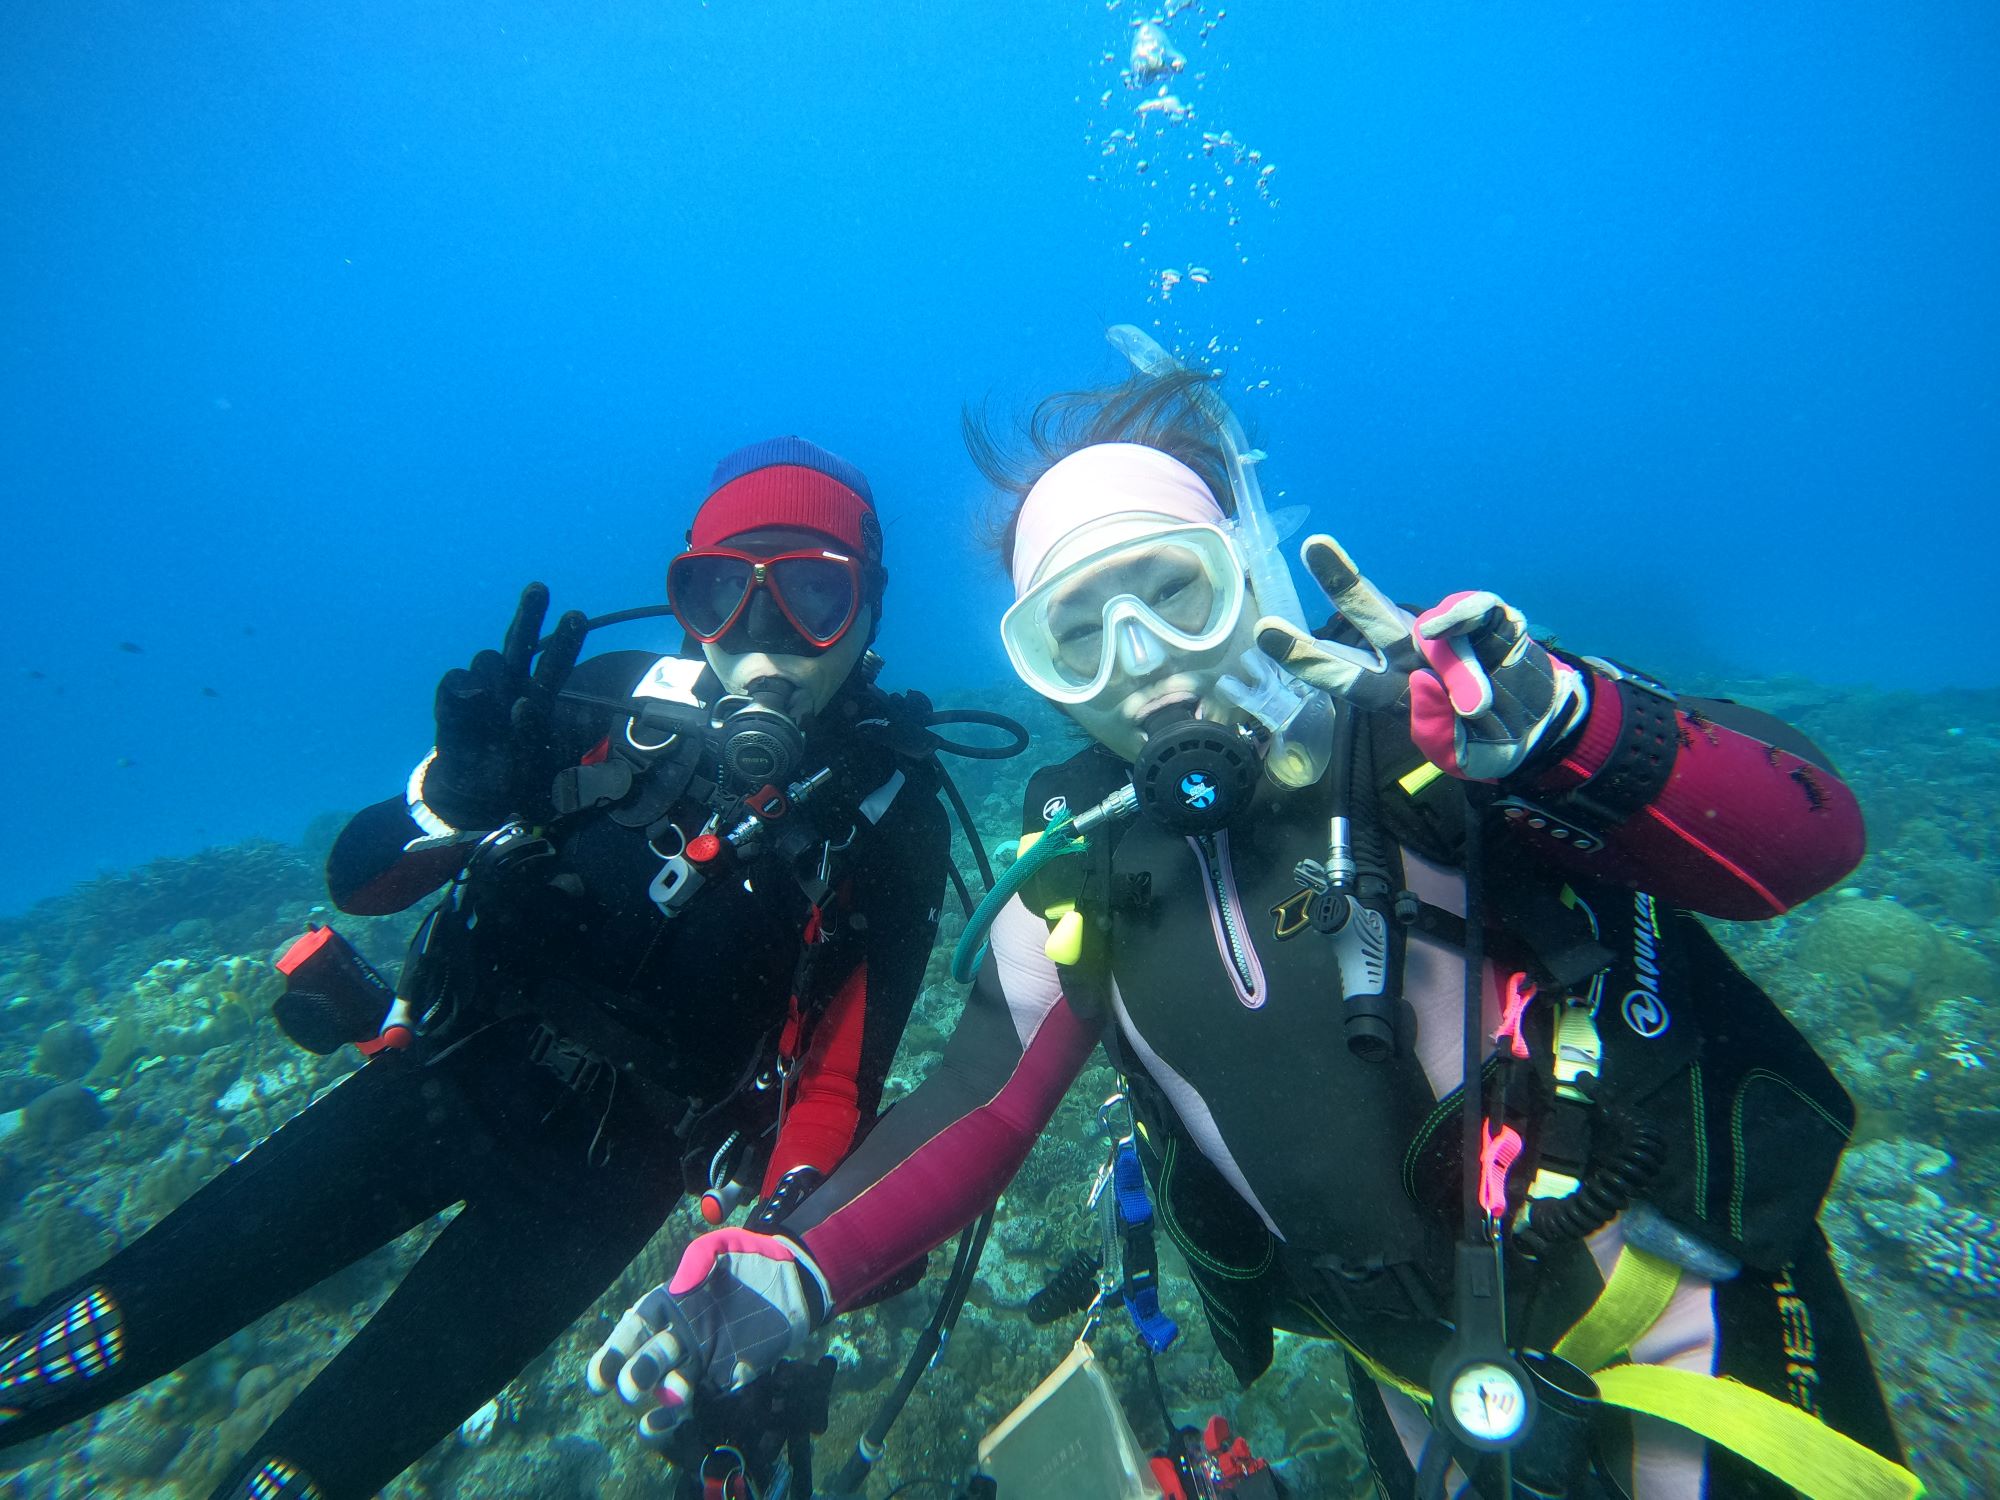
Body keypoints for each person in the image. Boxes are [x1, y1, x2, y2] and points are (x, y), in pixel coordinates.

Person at [587, 372, 1922, 1500]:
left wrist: (1569, 730)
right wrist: (798, 1270)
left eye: (1174, 591)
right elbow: (975, 1100)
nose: (1143, 657)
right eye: (1080, 634)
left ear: (1246, 570)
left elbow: (1813, 838)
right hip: (1425, 1396)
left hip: (1703, 1354)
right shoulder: (1089, 875)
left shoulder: (1447, 735)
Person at [0, 438, 956, 1500]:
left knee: (306, 1476)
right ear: (685, 600)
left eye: (815, 594)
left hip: (604, 1190)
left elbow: (832, 1081)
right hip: (436, 1084)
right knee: (84, 1338)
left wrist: (785, 1230)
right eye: (724, 592)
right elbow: (360, 880)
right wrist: (449, 798)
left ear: (869, 609)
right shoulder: (601, 700)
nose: (765, 637)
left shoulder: (889, 818)